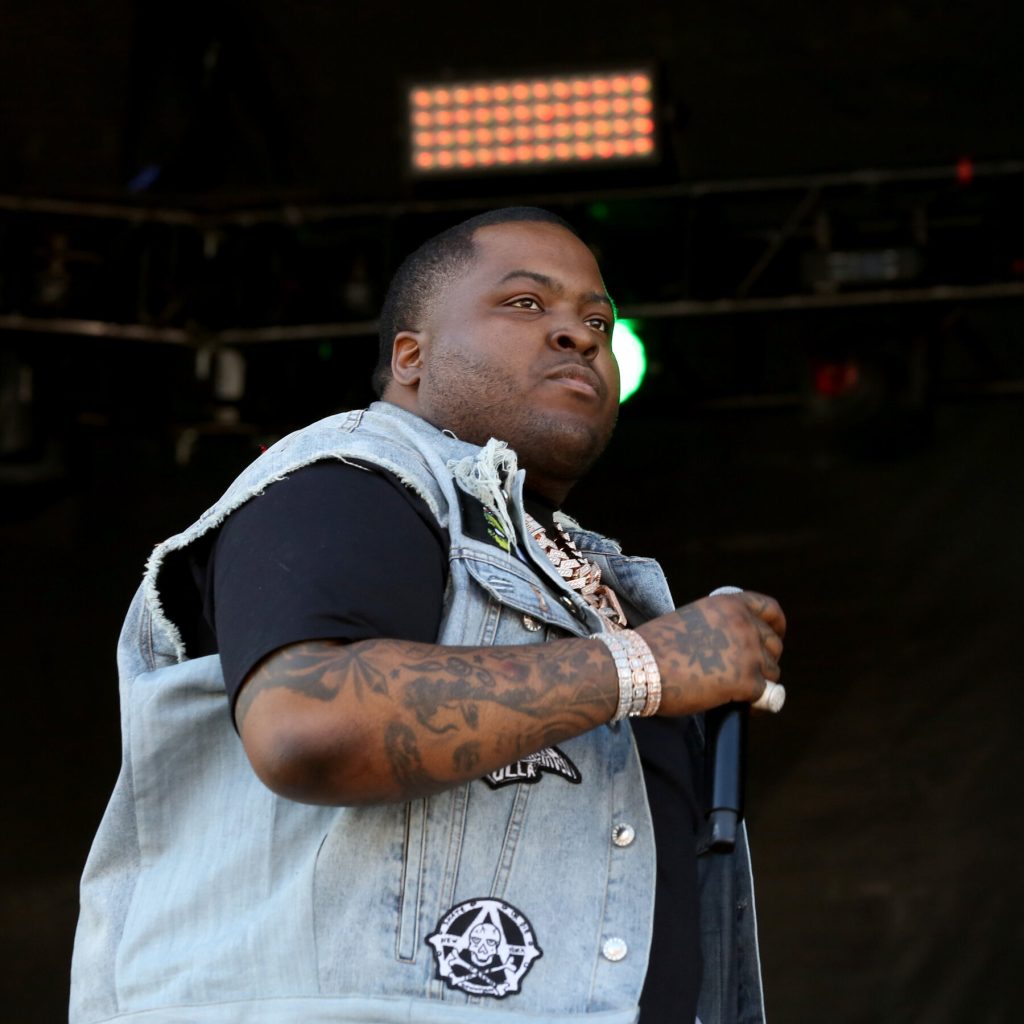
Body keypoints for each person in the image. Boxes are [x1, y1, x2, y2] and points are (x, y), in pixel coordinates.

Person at [71, 207, 786, 1024]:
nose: (579, 335)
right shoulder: (349, 478)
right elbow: (307, 721)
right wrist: (644, 665)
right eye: (525, 303)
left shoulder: (587, 580)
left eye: (597, 321)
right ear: (410, 357)